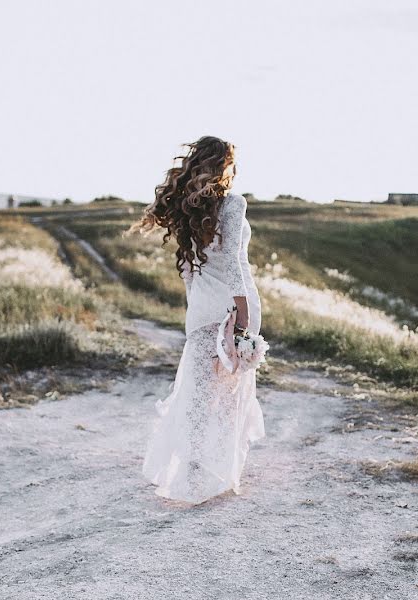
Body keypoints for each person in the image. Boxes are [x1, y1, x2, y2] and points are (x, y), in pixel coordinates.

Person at [128, 136, 265, 504]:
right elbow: (236, 264)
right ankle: (214, 473)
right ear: (224, 165)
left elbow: (189, 271)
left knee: (197, 394)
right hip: (233, 305)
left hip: (202, 309)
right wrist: (244, 320)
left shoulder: (189, 211)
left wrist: (197, 310)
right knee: (226, 394)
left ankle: (189, 472)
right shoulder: (233, 204)